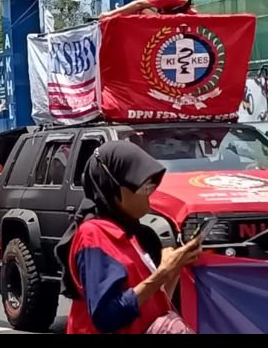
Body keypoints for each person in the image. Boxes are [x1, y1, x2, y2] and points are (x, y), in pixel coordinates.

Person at [55, 142, 201, 334]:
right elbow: (106, 317)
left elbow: (151, 302)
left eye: (151, 186)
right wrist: (162, 273)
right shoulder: (93, 235)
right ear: (113, 187)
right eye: (142, 187)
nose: (149, 194)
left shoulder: (131, 232)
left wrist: (174, 269)